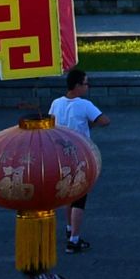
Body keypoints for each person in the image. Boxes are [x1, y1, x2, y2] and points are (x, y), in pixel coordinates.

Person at [48, 66, 107, 251]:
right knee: (80, 197)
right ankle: (74, 239)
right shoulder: (84, 104)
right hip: (80, 154)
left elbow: (49, 122)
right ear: (77, 86)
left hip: (59, 155)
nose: (87, 87)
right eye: (86, 83)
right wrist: (90, 125)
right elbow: (105, 120)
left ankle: (68, 227)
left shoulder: (56, 103)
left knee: (68, 193)